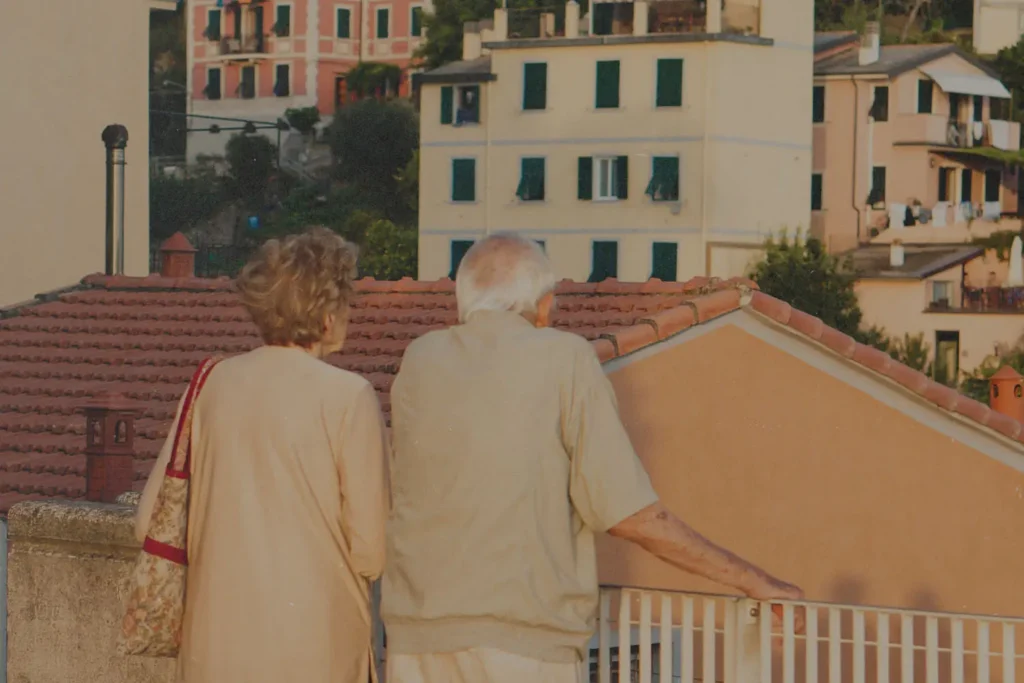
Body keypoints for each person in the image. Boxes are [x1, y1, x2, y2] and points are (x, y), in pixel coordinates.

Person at [382, 232, 803, 683]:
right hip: (520, 645)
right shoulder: (564, 357)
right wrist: (754, 580)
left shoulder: (421, 359)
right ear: (544, 305)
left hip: (417, 642)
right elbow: (628, 512)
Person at [135, 227, 390, 683]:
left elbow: (148, 520)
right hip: (315, 649)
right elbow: (371, 551)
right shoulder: (349, 396)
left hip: (212, 650)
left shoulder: (210, 383)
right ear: (327, 314)